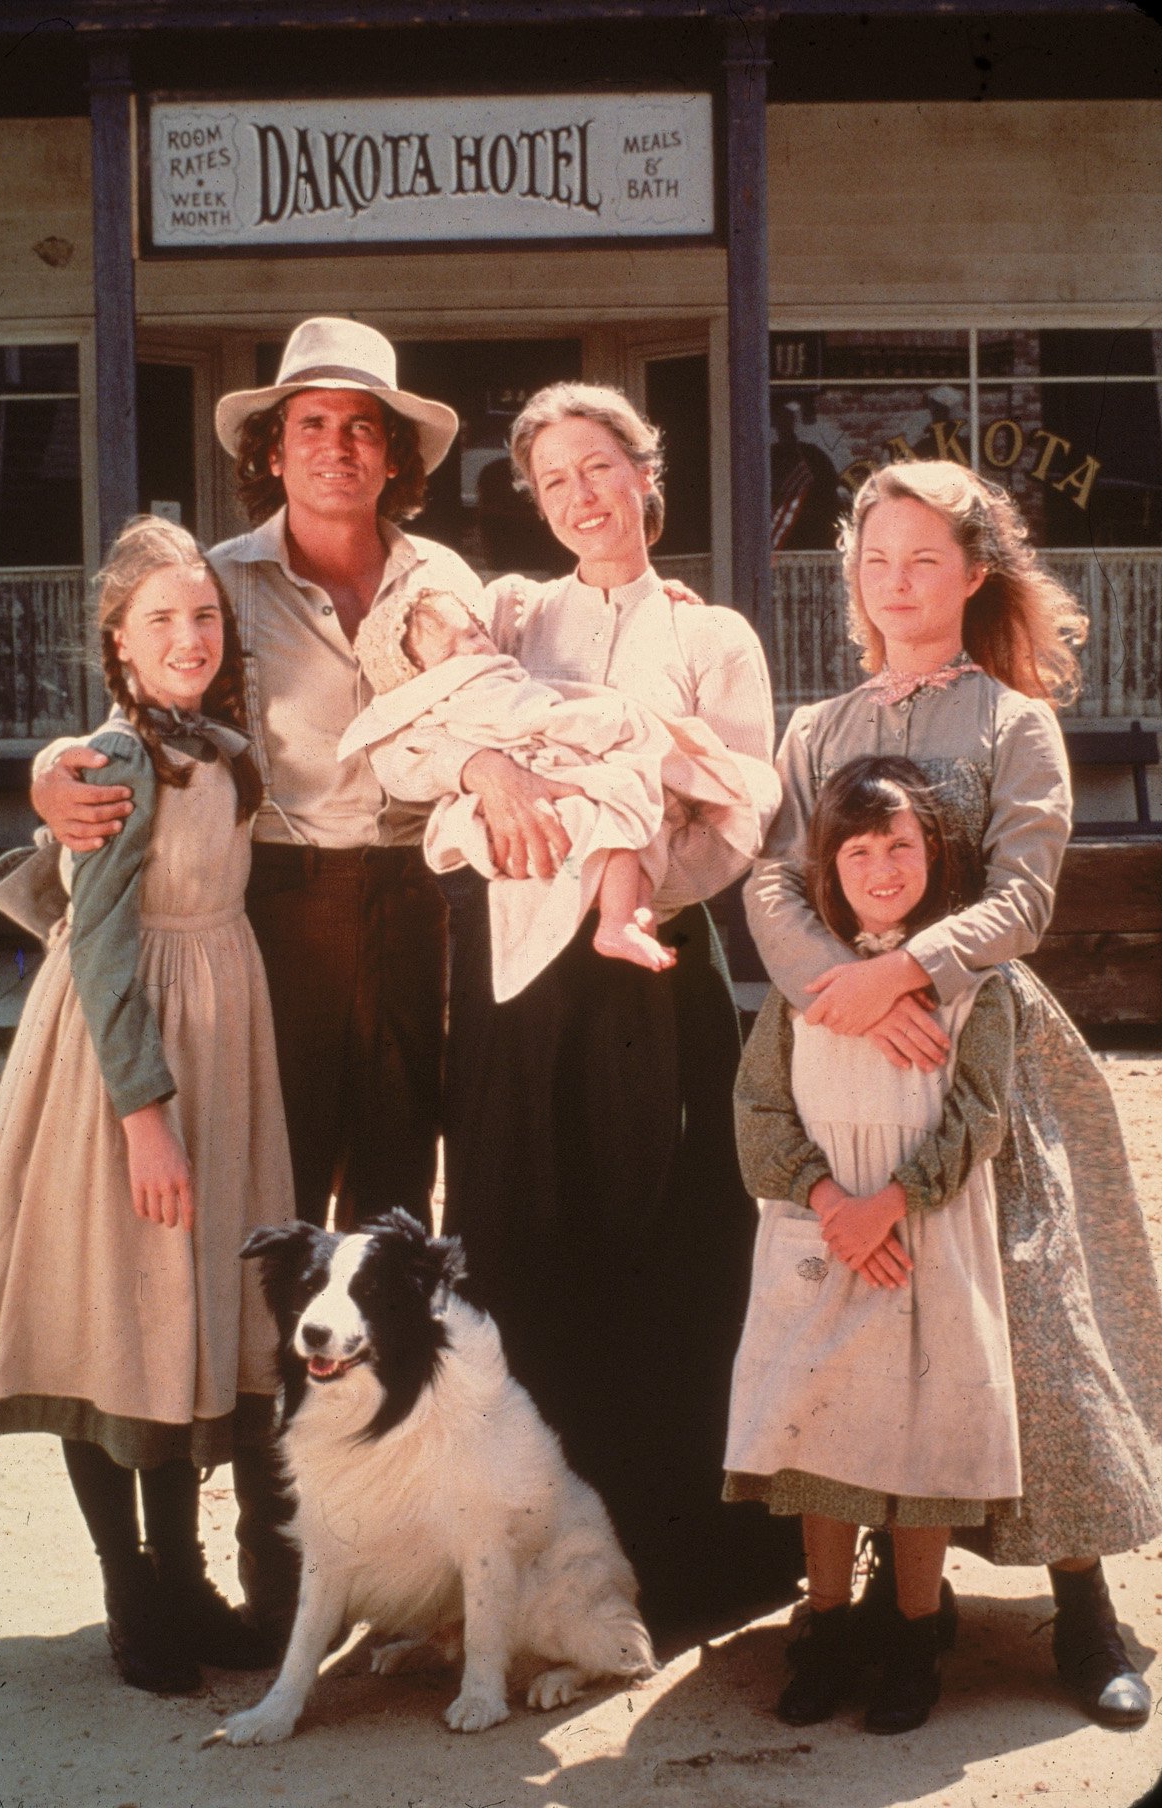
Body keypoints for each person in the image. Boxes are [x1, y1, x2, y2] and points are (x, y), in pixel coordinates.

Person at [29, 319, 482, 1640]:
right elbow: (140, 733)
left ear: (393, 454)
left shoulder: (446, 577)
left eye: (362, 427)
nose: (337, 447)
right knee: (273, 1235)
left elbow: (513, 710)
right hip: (273, 908)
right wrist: (52, 770)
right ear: (271, 452)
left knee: (387, 1225)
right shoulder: (216, 585)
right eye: (311, 425)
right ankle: (273, 1568)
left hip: (415, 901)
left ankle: (371, 1548)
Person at [745, 459, 1162, 1727]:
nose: (896, 580)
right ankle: (887, 1594)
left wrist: (911, 971)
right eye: (875, 558)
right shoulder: (815, 728)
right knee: (865, 1317)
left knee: (1030, 1312)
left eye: (923, 557)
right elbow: (771, 878)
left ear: (972, 573)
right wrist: (838, 989)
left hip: (981, 1058)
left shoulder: (1010, 722)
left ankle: (1081, 1604)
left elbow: (1025, 892)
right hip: (841, 1060)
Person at [386, 381, 802, 1639]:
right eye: (553, 478)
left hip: (649, 959)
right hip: (519, 969)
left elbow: (741, 808)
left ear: (643, 469)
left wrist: (630, 873)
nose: (579, 494)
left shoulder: (712, 632)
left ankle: (679, 1552)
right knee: (521, 1236)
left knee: (669, 1236)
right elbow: (417, 746)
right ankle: (526, 1562)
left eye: (597, 466)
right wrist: (489, 770)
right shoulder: (509, 615)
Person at [0, 517, 294, 1694]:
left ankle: (184, 1574)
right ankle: (130, 1589)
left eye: (203, 615)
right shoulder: (114, 758)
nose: (188, 635)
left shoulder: (218, 745)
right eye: (160, 619)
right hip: (122, 1054)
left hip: (216, 1035)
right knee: (116, 1314)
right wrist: (144, 1113)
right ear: (118, 639)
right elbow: (99, 939)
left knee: (179, 1316)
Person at [727, 754, 1022, 1734]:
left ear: (933, 854)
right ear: (828, 867)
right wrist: (829, 1201)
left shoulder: (972, 983)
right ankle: (828, 1624)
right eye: (857, 852)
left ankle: (912, 1633)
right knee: (825, 1422)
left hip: (924, 1232)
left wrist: (891, 1201)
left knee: (920, 1427)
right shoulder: (803, 981)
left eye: (900, 846)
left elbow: (977, 1114)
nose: (882, 868)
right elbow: (760, 1107)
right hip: (822, 1235)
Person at [337, 584, 781, 997]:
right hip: (518, 897)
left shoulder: (703, 628)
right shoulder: (514, 609)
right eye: (453, 651)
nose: (471, 650)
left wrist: (643, 877)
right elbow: (396, 746)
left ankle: (624, 914)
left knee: (621, 799)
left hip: (658, 921)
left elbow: (742, 799)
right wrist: (480, 767)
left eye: (473, 636)